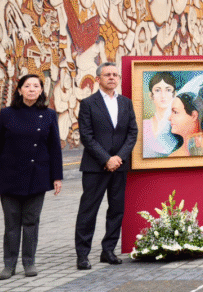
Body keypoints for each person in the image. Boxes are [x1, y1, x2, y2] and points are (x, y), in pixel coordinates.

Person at [0, 74, 63, 280]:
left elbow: (54, 149)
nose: (32, 89)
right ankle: (9, 265)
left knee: (31, 221)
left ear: (41, 91)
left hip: (37, 176)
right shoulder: (7, 114)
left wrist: (57, 177)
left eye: (36, 86)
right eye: (27, 86)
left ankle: (29, 262)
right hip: (8, 176)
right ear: (19, 90)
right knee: (11, 223)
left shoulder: (49, 115)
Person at [74, 63, 139, 270]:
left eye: (115, 75)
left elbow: (132, 133)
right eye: (107, 75)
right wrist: (106, 159)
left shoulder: (126, 103)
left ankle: (108, 250)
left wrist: (118, 157)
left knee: (116, 210)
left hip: (119, 167)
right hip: (95, 167)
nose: (112, 78)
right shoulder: (88, 104)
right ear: (98, 79)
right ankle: (83, 255)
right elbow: (87, 136)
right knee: (88, 211)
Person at [143, 71, 180, 158]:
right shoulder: (143, 125)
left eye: (168, 90)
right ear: (151, 95)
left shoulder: (179, 125)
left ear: (174, 94)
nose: (163, 95)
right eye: (157, 90)